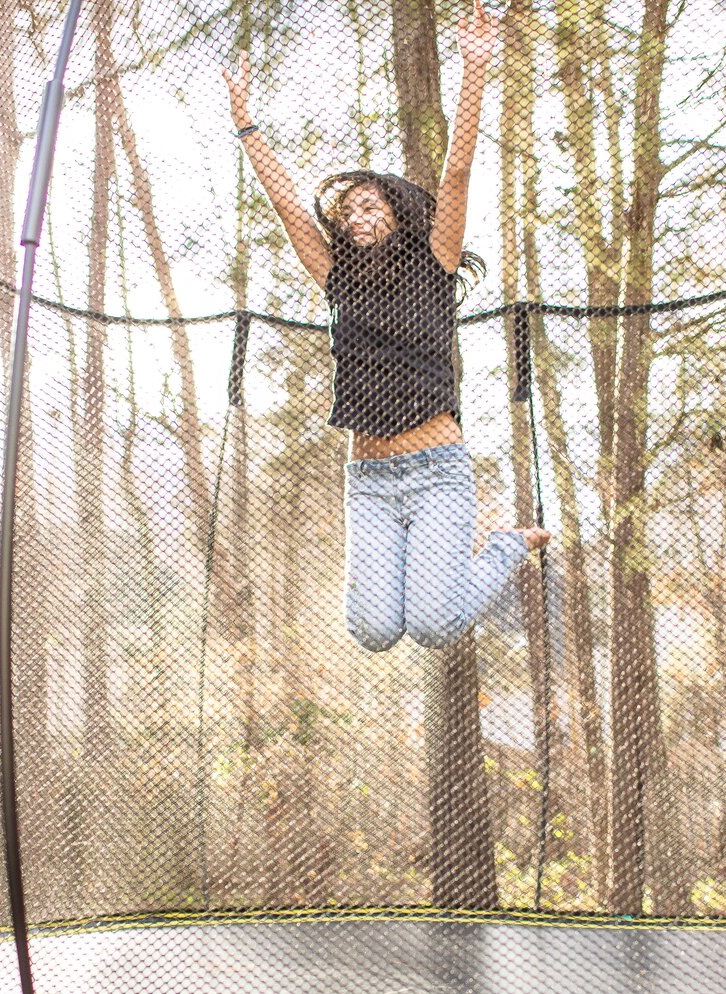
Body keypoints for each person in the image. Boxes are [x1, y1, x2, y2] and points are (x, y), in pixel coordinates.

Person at [222, 0, 550, 652]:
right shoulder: (336, 277)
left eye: (369, 203)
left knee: (434, 625)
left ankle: (508, 547)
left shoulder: (436, 260)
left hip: (437, 471)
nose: (356, 216)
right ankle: (485, 553)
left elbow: (456, 170)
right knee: (374, 632)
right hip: (369, 481)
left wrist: (476, 66)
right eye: (346, 212)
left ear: (397, 211)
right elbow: (291, 207)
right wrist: (245, 124)